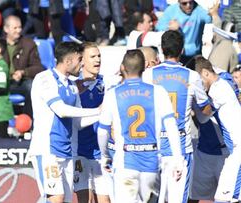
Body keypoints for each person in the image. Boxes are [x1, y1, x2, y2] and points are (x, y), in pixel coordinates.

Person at [97, 49, 183, 203]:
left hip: (125, 162)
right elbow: (171, 127)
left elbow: (102, 131)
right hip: (151, 162)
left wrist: (105, 156)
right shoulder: (158, 92)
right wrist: (178, 159)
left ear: (123, 67)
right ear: (144, 67)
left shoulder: (112, 94)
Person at [142, 30, 212, 203]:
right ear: (181, 50)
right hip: (179, 149)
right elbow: (206, 109)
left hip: (153, 148)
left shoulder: (149, 74)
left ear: (162, 49)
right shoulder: (192, 76)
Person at [28, 42, 100, 203]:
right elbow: (61, 110)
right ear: (68, 61)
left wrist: (104, 114)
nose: (82, 63)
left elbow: (78, 122)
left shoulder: (72, 86)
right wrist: (98, 111)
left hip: (68, 152)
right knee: (56, 198)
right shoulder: (44, 79)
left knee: (65, 200)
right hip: (47, 150)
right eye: (79, 59)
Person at [194, 56, 241, 203]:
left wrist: (193, 102)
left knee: (225, 198)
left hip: (238, 150)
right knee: (222, 197)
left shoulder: (218, 90)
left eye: (198, 81)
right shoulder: (221, 84)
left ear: (206, 73)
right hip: (234, 150)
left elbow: (204, 116)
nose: (198, 86)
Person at [73, 42, 110, 203]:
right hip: (80, 152)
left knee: (105, 200)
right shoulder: (74, 87)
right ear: (82, 61)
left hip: (101, 153)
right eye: (93, 57)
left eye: (99, 56)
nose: (97, 60)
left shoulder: (107, 83)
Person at [3, 15, 43, 119]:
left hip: (21, 82)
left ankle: (27, 121)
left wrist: (23, 72)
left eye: (20, 27)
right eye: (15, 28)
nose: (18, 30)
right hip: (3, 82)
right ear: (6, 29)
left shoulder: (29, 44)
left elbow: (38, 67)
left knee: (32, 87)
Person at [155, 0, 219, 64]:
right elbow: (158, 27)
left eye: (191, 2)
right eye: (184, 3)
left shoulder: (199, 10)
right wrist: (169, 27)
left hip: (194, 55)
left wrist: (214, 13)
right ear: (179, 2)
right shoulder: (171, 11)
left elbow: (210, 20)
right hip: (176, 54)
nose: (188, 6)